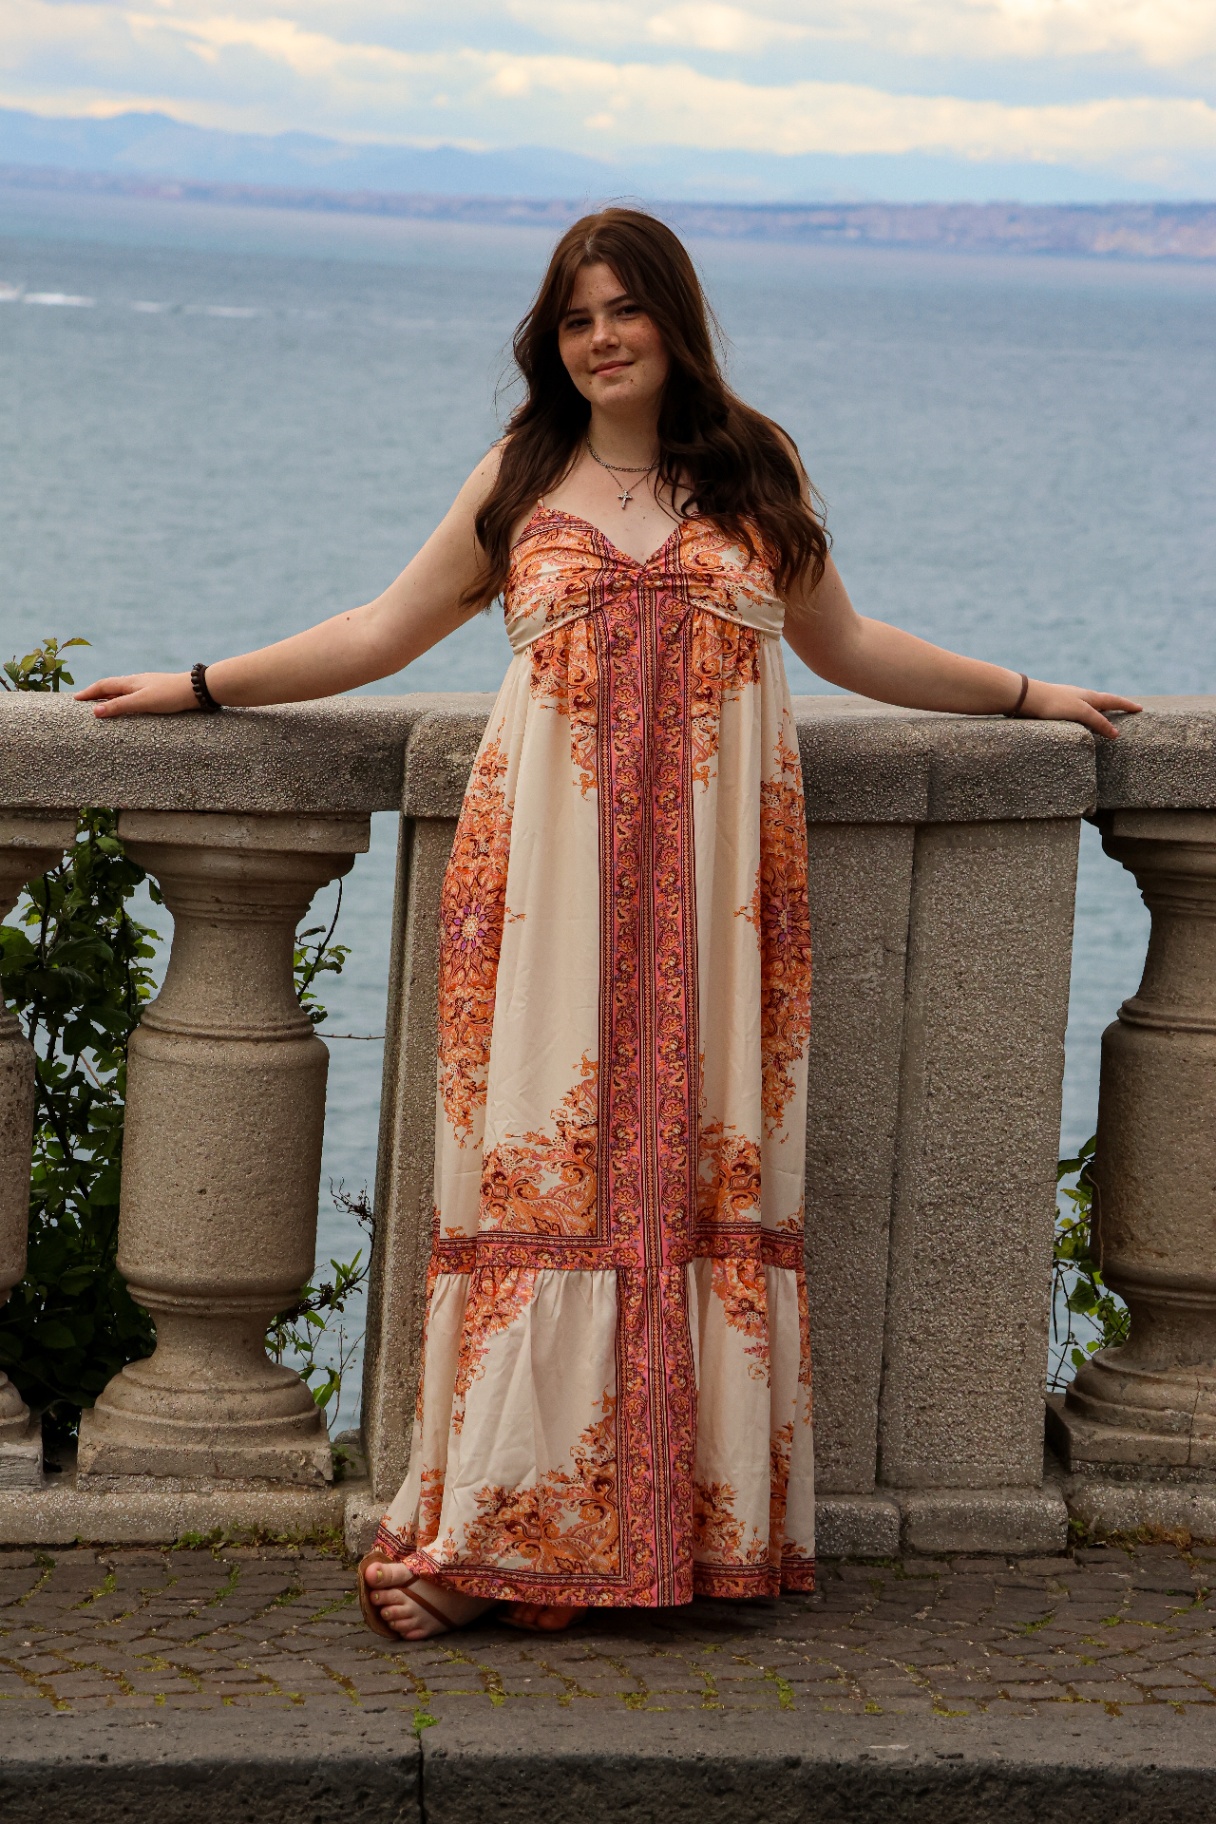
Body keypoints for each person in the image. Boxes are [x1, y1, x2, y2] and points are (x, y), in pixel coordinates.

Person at [78, 208, 1141, 1642]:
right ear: (554, 340)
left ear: (673, 320)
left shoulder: (754, 470)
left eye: (624, 310)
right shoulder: (521, 476)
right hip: (546, 895)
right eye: (576, 319)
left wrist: (1028, 694)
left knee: (695, 1187)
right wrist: (200, 685)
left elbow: (847, 645)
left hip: (722, 901)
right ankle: (498, 1541)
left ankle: (672, 1541)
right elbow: (380, 631)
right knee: (546, 1188)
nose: (600, 339)